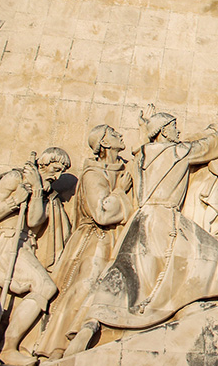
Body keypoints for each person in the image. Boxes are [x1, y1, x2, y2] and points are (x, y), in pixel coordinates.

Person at [64, 106, 218, 356]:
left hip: (141, 218)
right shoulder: (177, 151)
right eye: (173, 126)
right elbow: (211, 146)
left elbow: (152, 146)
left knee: (126, 275)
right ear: (162, 131)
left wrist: (145, 127)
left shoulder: (141, 155)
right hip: (164, 217)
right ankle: (185, 306)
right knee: (209, 251)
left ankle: (88, 325)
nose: (177, 130)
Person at [34, 126, 132, 360]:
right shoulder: (93, 174)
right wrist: (120, 191)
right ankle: (56, 346)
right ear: (104, 143)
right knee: (84, 287)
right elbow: (102, 214)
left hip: (115, 238)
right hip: (96, 239)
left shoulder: (122, 169)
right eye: (115, 134)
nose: (121, 136)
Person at [0, 147, 71, 366]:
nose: (57, 175)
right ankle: (8, 348)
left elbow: (34, 221)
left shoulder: (40, 188)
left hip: (24, 244)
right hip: (4, 241)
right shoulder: (15, 177)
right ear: (44, 163)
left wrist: (36, 191)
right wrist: (14, 201)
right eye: (56, 168)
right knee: (44, 287)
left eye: (62, 171)